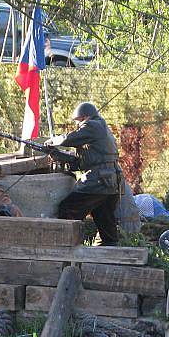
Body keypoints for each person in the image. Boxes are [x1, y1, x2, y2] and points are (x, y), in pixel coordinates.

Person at [45, 101, 123, 246]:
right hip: (109, 183)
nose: (78, 125)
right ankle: (108, 254)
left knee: (68, 209)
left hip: (98, 181)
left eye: (79, 121)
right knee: (105, 223)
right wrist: (59, 155)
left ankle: (67, 247)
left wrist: (54, 141)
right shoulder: (101, 131)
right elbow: (83, 162)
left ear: (85, 117)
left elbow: (71, 138)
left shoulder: (94, 125)